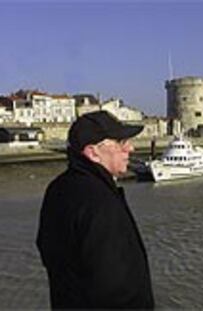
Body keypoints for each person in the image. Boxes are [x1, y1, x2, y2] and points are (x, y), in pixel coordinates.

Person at [36, 111, 155, 309]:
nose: (130, 148)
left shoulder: (58, 188)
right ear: (93, 152)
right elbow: (115, 285)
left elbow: (47, 250)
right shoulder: (100, 201)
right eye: (120, 142)